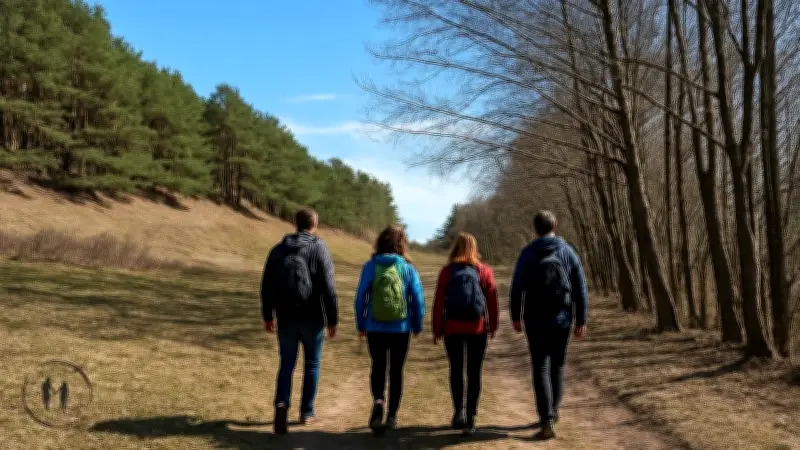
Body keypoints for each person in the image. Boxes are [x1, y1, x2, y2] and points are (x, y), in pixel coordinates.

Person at [509, 210, 588, 440]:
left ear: (535, 229)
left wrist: (516, 316)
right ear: (555, 225)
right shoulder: (567, 251)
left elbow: (517, 287)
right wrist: (581, 319)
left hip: (535, 319)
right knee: (558, 366)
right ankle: (554, 411)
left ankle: (546, 418)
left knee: (540, 367)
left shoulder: (528, 253)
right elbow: (580, 288)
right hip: (562, 319)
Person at [260, 207, 338, 435]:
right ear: (314, 224)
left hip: (285, 317)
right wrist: (332, 319)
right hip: (313, 317)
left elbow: (266, 286)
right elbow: (329, 288)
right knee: (312, 364)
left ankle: (281, 404)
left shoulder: (277, 250)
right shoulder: (320, 248)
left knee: (287, 363)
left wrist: (267, 316)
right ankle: (307, 413)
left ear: (296, 223)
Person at [354, 224, 425, 432]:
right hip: (401, 328)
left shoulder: (370, 266)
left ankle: (378, 402)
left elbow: (360, 298)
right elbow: (418, 300)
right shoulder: (407, 268)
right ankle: (392, 416)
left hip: (374, 327)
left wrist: (361, 323)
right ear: (402, 244)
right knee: (396, 371)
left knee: (378, 366)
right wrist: (417, 325)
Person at [432, 232, 498, 436]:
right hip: (477, 328)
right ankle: (471, 418)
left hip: (452, 328)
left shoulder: (446, 272)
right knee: (474, 371)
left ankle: (458, 412)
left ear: (455, 248)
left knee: (456, 369)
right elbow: (492, 300)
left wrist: (437, 329)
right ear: (475, 249)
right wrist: (493, 325)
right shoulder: (483, 271)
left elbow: (438, 303)